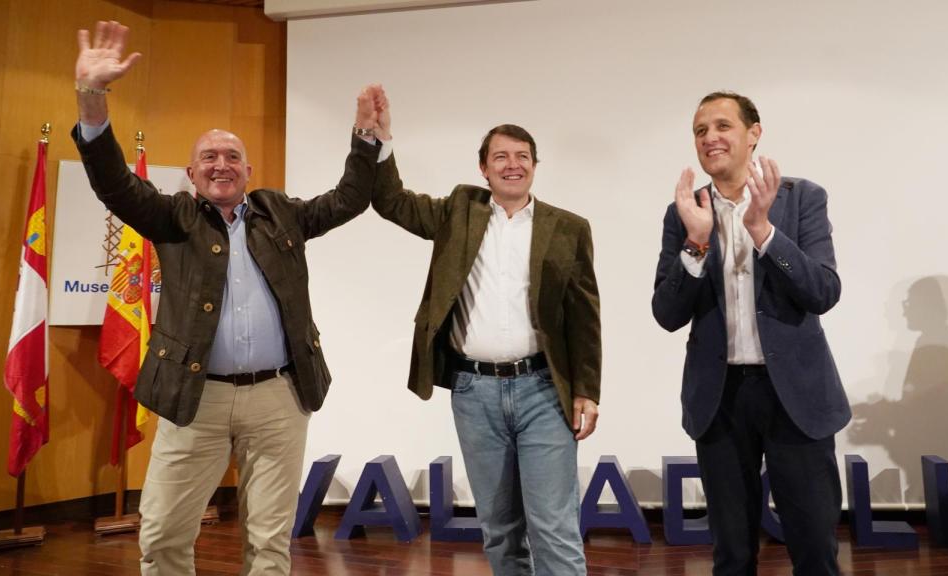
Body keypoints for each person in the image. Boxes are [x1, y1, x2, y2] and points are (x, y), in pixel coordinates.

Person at [72, 20, 381, 575]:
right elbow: (113, 181)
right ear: (192, 173)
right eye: (210, 157)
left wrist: (366, 141)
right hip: (196, 397)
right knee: (164, 532)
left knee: (269, 542)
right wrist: (92, 98)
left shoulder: (280, 213)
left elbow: (348, 199)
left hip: (279, 399)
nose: (222, 164)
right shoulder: (172, 217)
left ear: (248, 171)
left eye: (232, 157)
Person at [364, 86, 601, 575]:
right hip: (474, 391)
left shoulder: (568, 227)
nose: (511, 164)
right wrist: (381, 141)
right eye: (500, 156)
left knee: (554, 524)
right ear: (483, 167)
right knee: (499, 526)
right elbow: (391, 202)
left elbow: (584, 315)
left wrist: (587, 391)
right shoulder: (459, 211)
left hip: (543, 391)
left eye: (521, 156)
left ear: (535, 164)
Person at [652, 91, 851, 575]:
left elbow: (822, 291)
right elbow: (667, 311)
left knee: (814, 549)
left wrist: (763, 231)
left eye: (722, 126)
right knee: (732, 553)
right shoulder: (684, 211)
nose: (710, 138)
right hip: (720, 400)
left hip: (795, 397)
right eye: (701, 131)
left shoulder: (801, 198)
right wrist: (697, 242)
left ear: (753, 133)